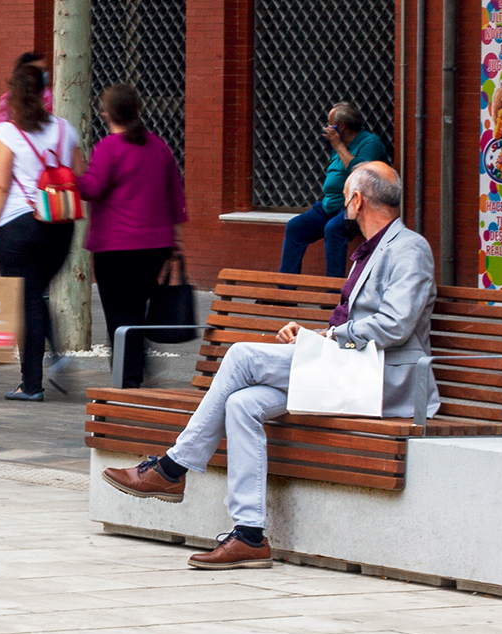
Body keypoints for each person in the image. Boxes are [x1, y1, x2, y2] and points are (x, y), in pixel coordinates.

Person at [101, 162, 438, 570]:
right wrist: (315, 335)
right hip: (347, 368)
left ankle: (172, 468)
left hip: (382, 380)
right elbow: (359, 324)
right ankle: (249, 535)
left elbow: (395, 325)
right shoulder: (369, 250)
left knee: (242, 356)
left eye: (344, 196)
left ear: (356, 200)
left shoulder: (409, 248)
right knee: (241, 404)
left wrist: (329, 338)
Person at [0, 63, 83, 402]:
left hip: (18, 228)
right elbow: (78, 175)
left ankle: (31, 385)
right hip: (60, 228)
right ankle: (46, 367)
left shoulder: (7, 133)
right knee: (35, 298)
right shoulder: (66, 129)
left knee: (28, 305)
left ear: (12, 95)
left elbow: (0, 186)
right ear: (44, 92)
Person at [78, 83, 188, 389]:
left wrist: (72, 173)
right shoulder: (159, 147)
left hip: (116, 247)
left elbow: (92, 188)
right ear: (137, 110)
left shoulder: (108, 148)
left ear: (106, 114)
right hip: (155, 246)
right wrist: (176, 241)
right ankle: (136, 372)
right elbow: (175, 196)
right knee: (137, 312)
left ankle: (126, 381)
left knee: (120, 316)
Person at [279, 102, 386, 278]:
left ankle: (333, 289)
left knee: (333, 229)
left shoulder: (369, 142)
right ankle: (285, 288)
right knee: (295, 227)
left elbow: (361, 172)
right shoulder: (339, 144)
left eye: (331, 124)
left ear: (341, 126)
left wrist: (338, 146)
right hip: (329, 205)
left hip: (357, 206)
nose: (327, 128)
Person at [0, 51, 53, 124]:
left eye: (44, 69)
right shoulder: (7, 100)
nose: (42, 74)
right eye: (37, 70)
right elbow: (0, 126)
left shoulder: (53, 97)